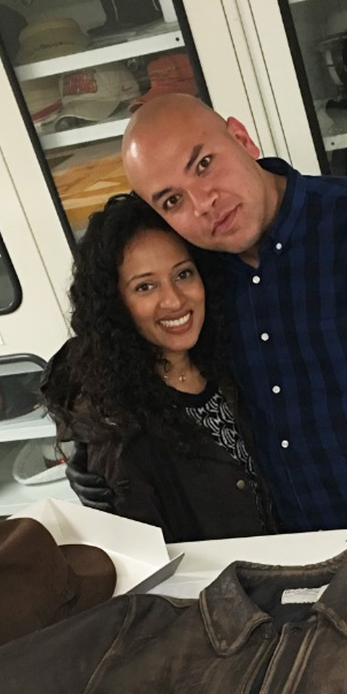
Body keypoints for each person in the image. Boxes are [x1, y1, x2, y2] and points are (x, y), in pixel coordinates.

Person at [68, 93, 347, 550]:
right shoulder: (193, 269)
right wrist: (99, 452)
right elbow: (118, 344)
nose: (203, 204)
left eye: (203, 165)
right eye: (173, 200)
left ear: (242, 139)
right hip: (293, 549)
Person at [43, 192, 278, 543]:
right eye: (145, 286)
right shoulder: (118, 424)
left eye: (183, 274)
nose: (174, 300)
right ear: (114, 304)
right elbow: (150, 568)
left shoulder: (230, 361)